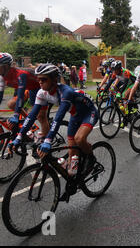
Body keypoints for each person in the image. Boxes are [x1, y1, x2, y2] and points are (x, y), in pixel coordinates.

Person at [10, 63, 99, 200]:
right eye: (38, 79)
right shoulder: (41, 92)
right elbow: (32, 115)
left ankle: (91, 159)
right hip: (75, 115)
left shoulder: (66, 92)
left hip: (89, 112)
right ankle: (75, 180)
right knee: (71, 157)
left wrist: (48, 140)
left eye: (43, 79)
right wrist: (18, 137)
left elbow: (58, 118)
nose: (39, 82)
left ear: (54, 80)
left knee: (79, 139)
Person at [0, 52, 47, 130]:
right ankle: (29, 123)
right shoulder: (2, 77)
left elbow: (20, 96)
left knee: (41, 117)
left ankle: (47, 138)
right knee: (11, 104)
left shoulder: (21, 74)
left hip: (42, 88)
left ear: (6, 66)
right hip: (30, 89)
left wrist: (16, 115)